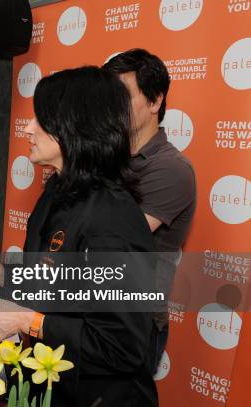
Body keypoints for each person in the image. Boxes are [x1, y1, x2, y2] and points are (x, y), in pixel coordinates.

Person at [0, 67, 158, 407]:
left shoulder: (113, 219)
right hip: (52, 394)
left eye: (42, 119)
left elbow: (121, 346)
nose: (28, 127)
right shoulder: (58, 191)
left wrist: (26, 321)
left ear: (75, 127)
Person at [103, 48, 196, 365]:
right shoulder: (108, 160)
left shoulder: (171, 169)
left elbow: (110, 247)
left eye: (122, 97)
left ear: (155, 101)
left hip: (134, 325)